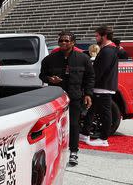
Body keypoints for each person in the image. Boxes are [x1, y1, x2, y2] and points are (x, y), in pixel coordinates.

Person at [39, 31, 94, 166]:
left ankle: (73, 152)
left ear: (73, 42)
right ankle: (54, 151)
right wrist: (49, 79)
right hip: (56, 97)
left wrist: (88, 94)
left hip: (75, 97)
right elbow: (42, 75)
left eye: (66, 41)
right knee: (54, 125)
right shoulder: (49, 59)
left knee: (74, 124)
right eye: (61, 40)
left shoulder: (83, 58)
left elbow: (90, 77)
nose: (63, 43)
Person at [80, 25, 119, 147]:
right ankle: (85, 134)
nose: (95, 38)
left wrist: (88, 84)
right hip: (102, 87)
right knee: (91, 111)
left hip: (103, 88)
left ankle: (103, 139)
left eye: (97, 36)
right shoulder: (108, 49)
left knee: (104, 114)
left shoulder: (108, 51)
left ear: (104, 36)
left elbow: (98, 71)